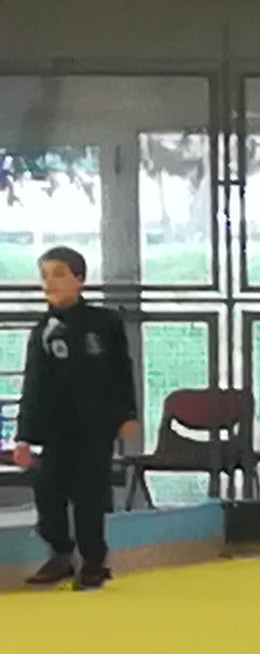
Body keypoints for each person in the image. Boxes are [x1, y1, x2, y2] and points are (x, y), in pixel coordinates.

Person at [13, 248, 137, 592]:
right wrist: (24, 438)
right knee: (47, 491)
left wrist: (128, 414)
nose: (50, 282)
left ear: (79, 279)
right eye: (45, 276)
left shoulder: (105, 323)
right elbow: (33, 385)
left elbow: (121, 371)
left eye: (58, 274)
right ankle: (61, 552)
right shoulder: (43, 330)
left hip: (95, 428)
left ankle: (94, 561)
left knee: (89, 497)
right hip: (56, 432)